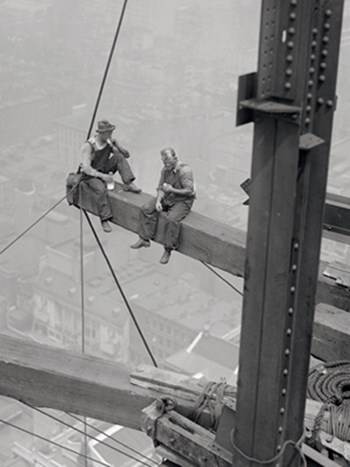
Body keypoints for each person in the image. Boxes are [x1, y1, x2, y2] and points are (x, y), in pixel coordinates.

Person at [130, 147, 195, 264]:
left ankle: (168, 249)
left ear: (175, 158)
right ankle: (145, 238)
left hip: (182, 200)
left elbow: (189, 191)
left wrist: (172, 189)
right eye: (164, 162)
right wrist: (159, 201)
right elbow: (161, 187)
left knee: (171, 219)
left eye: (169, 162)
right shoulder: (165, 170)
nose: (166, 164)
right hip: (168, 196)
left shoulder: (185, 171)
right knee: (147, 208)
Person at [80, 119, 141, 233]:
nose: (110, 135)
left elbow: (126, 156)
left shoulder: (108, 143)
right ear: (101, 133)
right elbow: (86, 168)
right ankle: (104, 218)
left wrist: (118, 145)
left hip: (103, 169)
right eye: (108, 133)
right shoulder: (89, 146)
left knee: (118, 157)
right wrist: (102, 176)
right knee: (100, 189)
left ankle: (128, 183)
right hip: (91, 176)